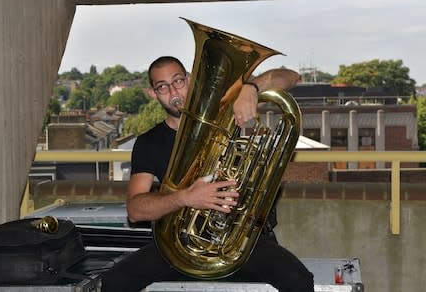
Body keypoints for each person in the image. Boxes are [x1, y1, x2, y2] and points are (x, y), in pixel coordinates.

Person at [101, 56, 314, 292]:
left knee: (299, 281)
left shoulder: (225, 116)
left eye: (178, 81)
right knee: (114, 282)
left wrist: (252, 88)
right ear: (153, 93)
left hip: (241, 239)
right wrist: (185, 198)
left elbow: (291, 77)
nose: (173, 91)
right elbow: (135, 210)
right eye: (162, 86)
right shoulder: (149, 142)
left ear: (190, 81)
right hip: (179, 245)